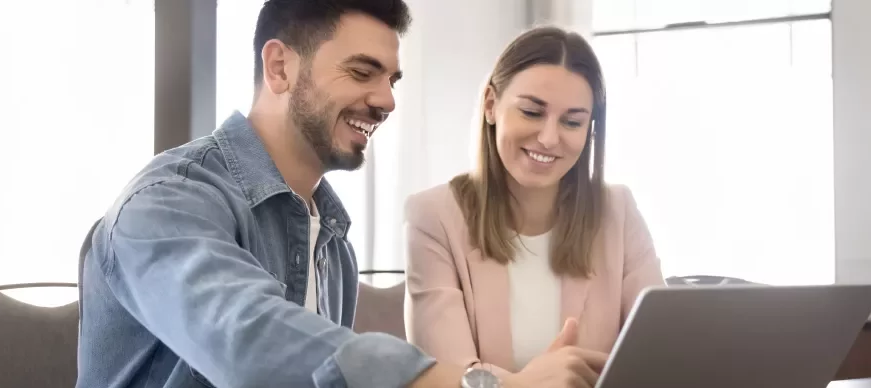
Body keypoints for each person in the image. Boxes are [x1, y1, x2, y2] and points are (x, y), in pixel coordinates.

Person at [76, 1, 604, 387]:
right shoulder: (167, 203)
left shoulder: (333, 242)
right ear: (280, 67)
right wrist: (494, 385)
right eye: (361, 72)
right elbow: (252, 345)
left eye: (393, 79)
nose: (386, 100)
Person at [404, 26, 667, 376]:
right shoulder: (433, 216)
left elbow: (661, 352)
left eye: (572, 122)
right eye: (531, 112)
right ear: (491, 105)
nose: (548, 138)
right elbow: (449, 377)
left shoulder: (617, 211)